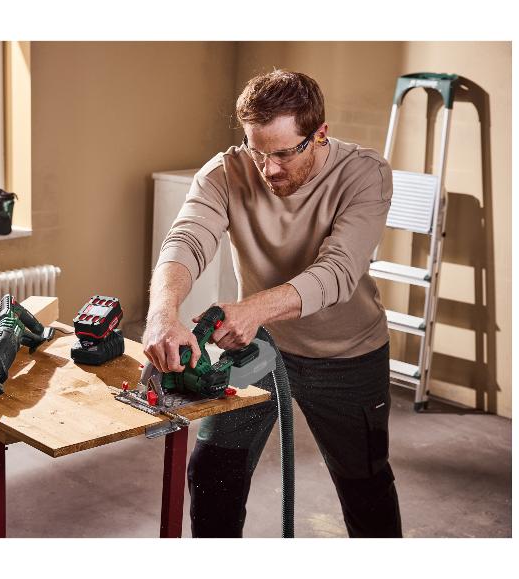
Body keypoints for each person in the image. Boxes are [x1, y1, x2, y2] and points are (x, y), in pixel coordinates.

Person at [142, 69, 402, 538]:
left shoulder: (366, 173)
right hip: (260, 351)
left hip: (347, 354)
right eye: (257, 151)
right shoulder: (225, 171)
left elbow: (338, 271)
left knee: (364, 486)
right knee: (212, 474)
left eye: (284, 153)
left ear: (319, 134)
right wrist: (163, 314)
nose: (269, 169)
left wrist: (253, 309)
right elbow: (186, 241)